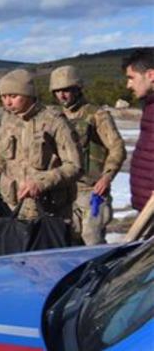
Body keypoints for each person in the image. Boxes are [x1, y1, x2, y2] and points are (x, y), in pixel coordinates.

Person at [0, 69, 81, 247]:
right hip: (13, 210)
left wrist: (41, 183)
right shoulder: (7, 121)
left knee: (47, 266)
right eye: (3, 97)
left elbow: (74, 166)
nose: (8, 102)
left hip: (48, 213)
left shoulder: (54, 122)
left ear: (28, 94)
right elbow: (1, 162)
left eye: (13, 96)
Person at [50, 65, 126, 245]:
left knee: (92, 240)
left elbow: (117, 147)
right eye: (58, 91)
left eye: (66, 90)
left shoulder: (97, 115)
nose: (62, 95)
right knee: (65, 240)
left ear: (77, 88)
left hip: (91, 190)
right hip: (63, 190)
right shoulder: (55, 116)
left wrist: (107, 177)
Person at [123, 48, 154, 214]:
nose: (128, 85)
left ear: (150, 75)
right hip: (147, 210)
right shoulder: (150, 107)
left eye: (131, 78)